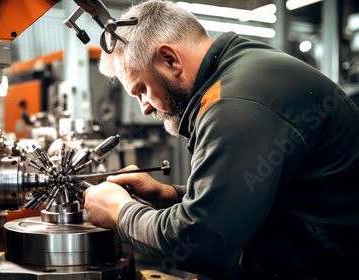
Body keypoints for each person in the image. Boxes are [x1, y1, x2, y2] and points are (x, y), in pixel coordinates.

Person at [82, 1, 359, 279]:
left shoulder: (235, 102)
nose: (144, 107)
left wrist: (119, 211)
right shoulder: (240, 70)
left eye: (141, 89)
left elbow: (203, 243)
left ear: (169, 59)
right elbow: (253, 197)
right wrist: (169, 195)